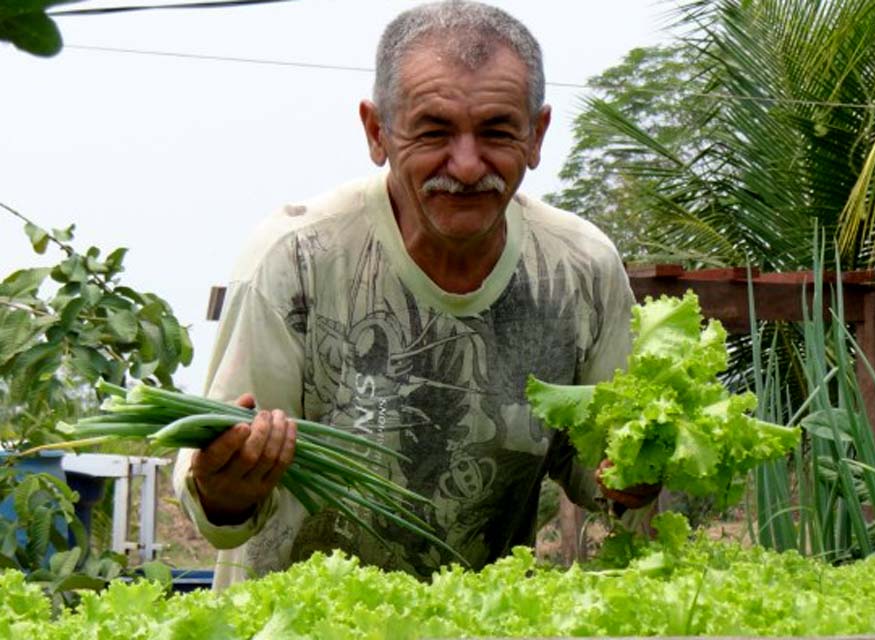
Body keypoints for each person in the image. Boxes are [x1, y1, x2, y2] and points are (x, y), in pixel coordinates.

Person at [173, 0, 656, 591]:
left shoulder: (580, 267)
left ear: (537, 135)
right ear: (377, 132)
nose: (468, 164)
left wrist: (636, 473)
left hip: (480, 627)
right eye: (434, 131)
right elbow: (216, 504)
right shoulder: (297, 258)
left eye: (498, 131)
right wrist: (224, 488)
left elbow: (604, 473)